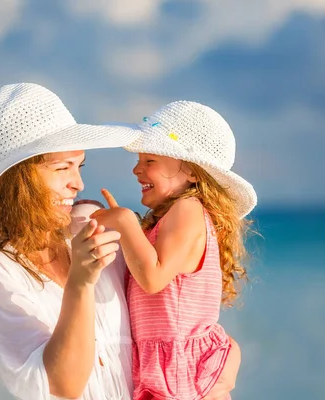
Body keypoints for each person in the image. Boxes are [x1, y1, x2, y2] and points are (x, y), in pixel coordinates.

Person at [0, 83, 239, 400]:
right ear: (17, 179)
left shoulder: (89, 222)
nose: (78, 184)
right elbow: (62, 386)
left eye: (79, 166)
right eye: (62, 167)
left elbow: (173, 306)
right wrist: (80, 282)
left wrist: (219, 359)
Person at [91, 101, 257, 400]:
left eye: (150, 160)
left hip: (183, 367)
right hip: (172, 363)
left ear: (192, 171)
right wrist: (128, 232)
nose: (136, 169)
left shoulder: (188, 209)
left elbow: (154, 279)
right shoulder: (168, 218)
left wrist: (126, 222)